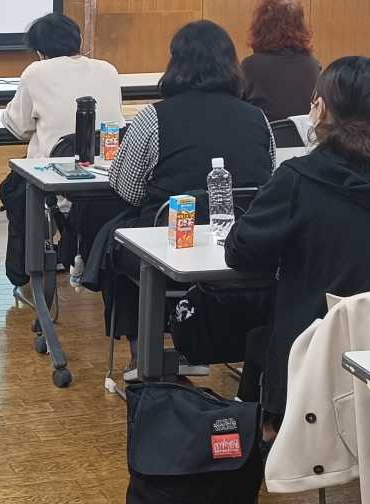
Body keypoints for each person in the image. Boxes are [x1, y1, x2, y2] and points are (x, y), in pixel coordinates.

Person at [226, 56, 370, 418]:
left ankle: (270, 423)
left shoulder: (300, 178)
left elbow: (240, 250)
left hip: (324, 354)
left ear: (321, 108)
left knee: (268, 325)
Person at [93, 20, 275, 377]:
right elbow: (266, 180)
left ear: (175, 63)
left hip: (169, 243)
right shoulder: (257, 118)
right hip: (241, 247)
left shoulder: (153, 116)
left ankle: (143, 353)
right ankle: (200, 350)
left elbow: (128, 189)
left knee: (123, 242)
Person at [0, 13, 122, 290]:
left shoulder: (35, 72)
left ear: (39, 52)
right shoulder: (108, 69)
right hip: (107, 181)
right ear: (79, 42)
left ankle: (29, 263)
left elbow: (18, 127)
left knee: (18, 179)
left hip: (56, 185)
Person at [239, 0, 321, 119]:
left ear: (261, 27)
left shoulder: (250, 66)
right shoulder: (313, 63)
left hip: (263, 130)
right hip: (304, 131)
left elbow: (237, 108)